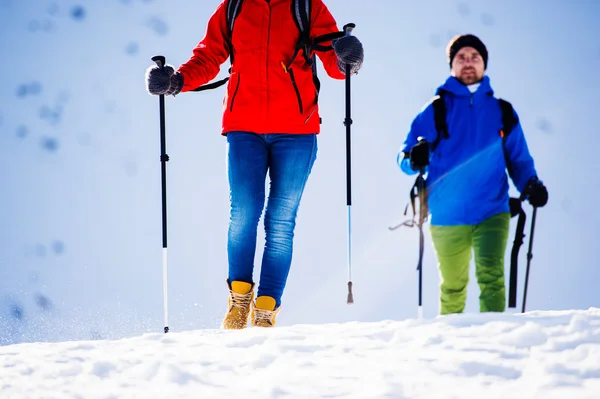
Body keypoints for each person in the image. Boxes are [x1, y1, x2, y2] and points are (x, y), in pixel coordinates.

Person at [145, 0, 364, 328]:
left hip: (297, 131)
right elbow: (208, 57)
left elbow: (336, 64)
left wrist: (349, 55)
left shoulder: (307, 6)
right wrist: (176, 81)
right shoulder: (233, 7)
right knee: (244, 212)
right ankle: (240, 298)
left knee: (280, 221)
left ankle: (266, 307)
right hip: (244, 127)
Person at [397, 34, 548, 315]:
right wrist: (412, 158)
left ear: (484, 65)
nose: (468, 63)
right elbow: (405, 159)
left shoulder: (502, 112)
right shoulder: (434, 110)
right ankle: (452, 349)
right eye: (461, 58)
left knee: (492, 279)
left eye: (474, 57)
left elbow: (519, 159)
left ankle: (495, 346)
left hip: (492, 210)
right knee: (452, 287)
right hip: (446, 214)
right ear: (452, 66)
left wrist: (531, 184)